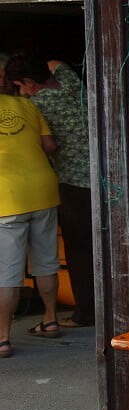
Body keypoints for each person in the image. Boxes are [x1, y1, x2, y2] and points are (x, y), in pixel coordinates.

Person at [5, 55, 94, 328]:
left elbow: (48, 145)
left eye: (21, 85)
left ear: (30, 82)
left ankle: (85, 313)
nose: (22, 91)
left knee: (79, 250)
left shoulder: (37, 104)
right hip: (104, 178)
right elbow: (56, 63)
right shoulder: (71, 84)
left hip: (73, 183)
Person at [0, 92, 62, 357]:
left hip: (6, 197)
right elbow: (49, 145)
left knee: (7, 273)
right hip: (42, 189)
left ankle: (3, 338)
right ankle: (50, 320)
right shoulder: (25, 104)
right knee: (46, 261)